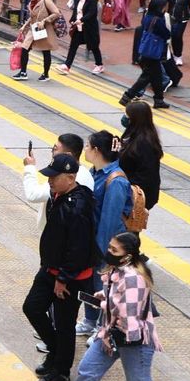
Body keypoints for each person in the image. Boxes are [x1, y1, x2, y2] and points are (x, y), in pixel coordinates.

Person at [49, 232, 160, 381]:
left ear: (127, 256)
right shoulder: (118, 270)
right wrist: (105, 295)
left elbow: (129, 316)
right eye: (109, 247)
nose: (109, 252)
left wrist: (104, 304)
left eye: (114, 250)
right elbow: (118, 299)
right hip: (112, 333)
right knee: (88, 369)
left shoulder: (133, 278)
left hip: (133, 340)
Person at [23, 154, 97, 381]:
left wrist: (63, 279)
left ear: (71, 178)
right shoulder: (58, 195)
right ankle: (55, 352)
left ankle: (61, 372)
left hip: (70, 277)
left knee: (65, 324)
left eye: (55, 177)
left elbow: (78, 248)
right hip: (50, 269)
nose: (50, 181)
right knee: (32, 307)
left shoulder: (78, 207)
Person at [78, 130, 133, 336]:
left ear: (96, 150)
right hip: (92, 240)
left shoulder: (116, 180)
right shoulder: (94, 173)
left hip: (105, 244)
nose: (85, 149)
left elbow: (109, 221)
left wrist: (101, 251)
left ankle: (103, 327)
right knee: (90, 283)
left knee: (104, 285)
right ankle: (90, 321)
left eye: (87, 145)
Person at [23, 133, 94, 229]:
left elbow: (33, 195)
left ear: (68, 155)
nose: (52, 152)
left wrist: (29, 167)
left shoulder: (66, 177)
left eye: (55, 149)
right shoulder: (84, 173)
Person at [119, 0, 173, 109]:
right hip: (152, 53)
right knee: (146, 77)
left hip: (146, 50)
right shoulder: (158, 20)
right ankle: (127, 96)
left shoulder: (147, 16)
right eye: (164, 6)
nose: (165, 8)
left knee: (157, 77)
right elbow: (166, 34)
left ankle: (159, 100)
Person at [118, 100, 163, 211]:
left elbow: (146, 174)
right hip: (129, 190)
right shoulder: (134, 134)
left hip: (136, 195)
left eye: (127, 115)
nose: (124, 117)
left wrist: (125, 190)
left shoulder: (144, 143)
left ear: (134, 119)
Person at [12, 0, 60, 80]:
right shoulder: (31, 3)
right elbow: (32, 16)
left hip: (44, 29)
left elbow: (56, 13)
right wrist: (24, 26)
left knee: (46, 51)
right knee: (25, 48)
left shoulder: (46, 1)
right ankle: (23, 72)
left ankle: (46, 74)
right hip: (33, 29)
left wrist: (44, 21)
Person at [60, 0, 104, 75]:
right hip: (78, 28)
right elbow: (76, 11)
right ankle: (67, 65)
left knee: (94, 46)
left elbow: (91, 13)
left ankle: (99, 65)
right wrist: (72, 20)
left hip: (89, 28)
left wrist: (81, 20)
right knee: (73, 46)